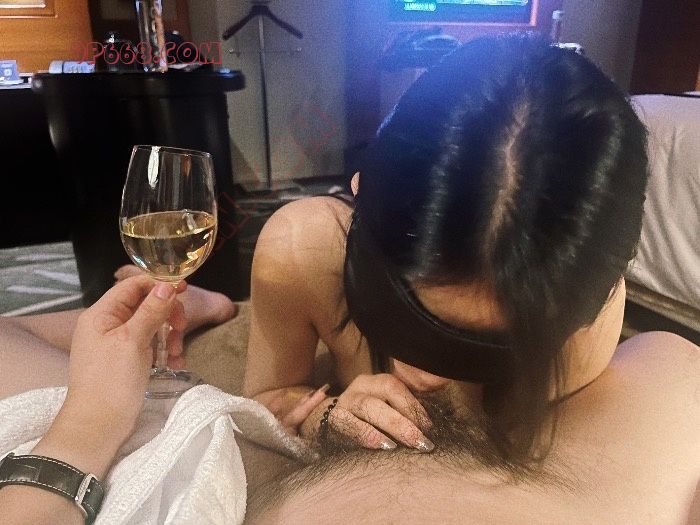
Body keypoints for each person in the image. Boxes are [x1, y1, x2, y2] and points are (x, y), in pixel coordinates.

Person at [242, 33, 700, 522]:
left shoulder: (581, 311)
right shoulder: (303, 251)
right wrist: (324, 417)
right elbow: (256, 409)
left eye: (484, 352)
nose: (428, 376)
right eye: (404, 319)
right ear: (360, 191)